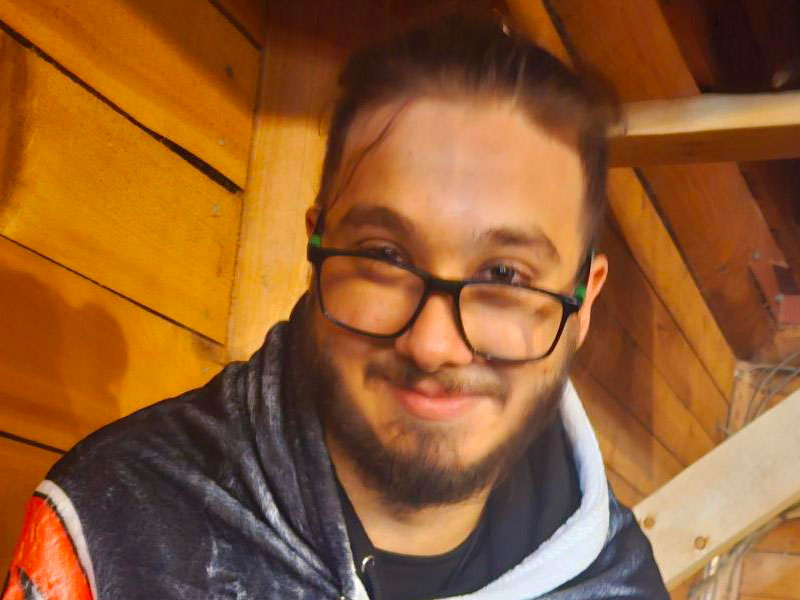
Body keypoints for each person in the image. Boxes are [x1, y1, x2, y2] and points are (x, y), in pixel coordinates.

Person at [2, 14, 669, 600]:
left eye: (505, 274)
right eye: (385, 255)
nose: (433, 345)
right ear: (317, 246)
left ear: (583, 303)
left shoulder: (622, 585)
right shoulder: (112, 528)